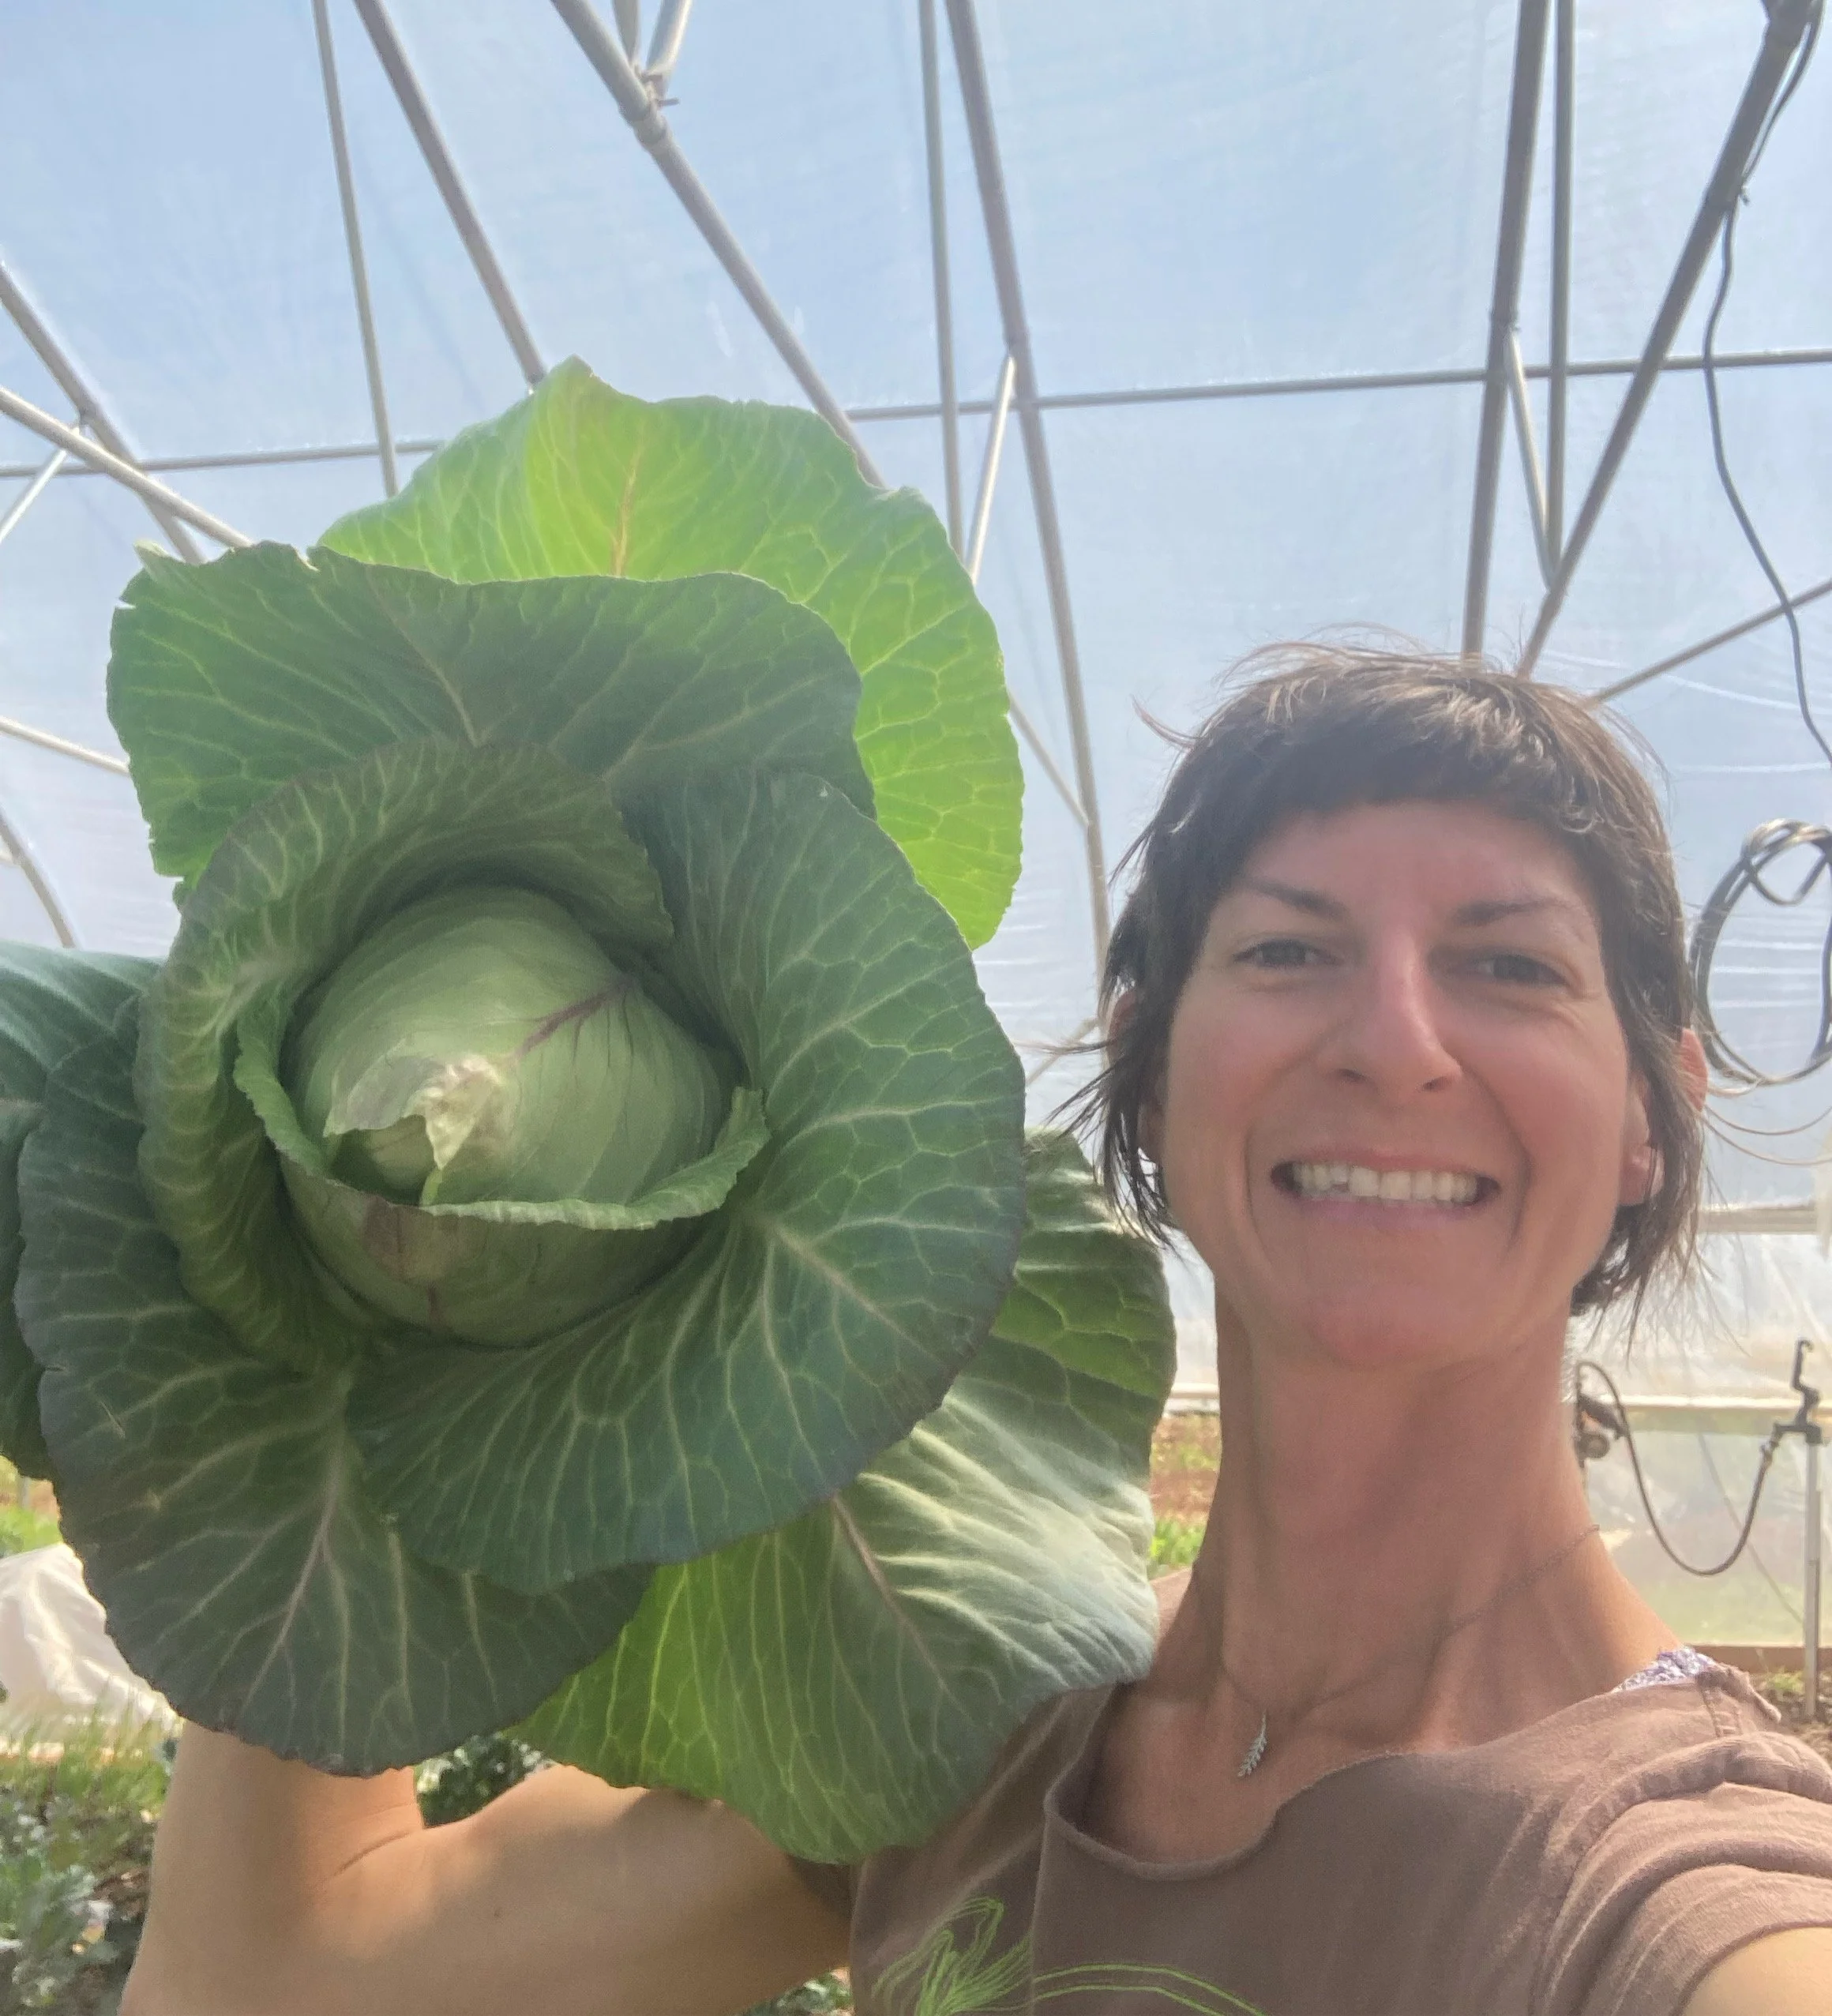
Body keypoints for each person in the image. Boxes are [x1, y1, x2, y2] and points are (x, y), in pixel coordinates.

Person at [126, 650, 1832, 2016]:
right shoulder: (965, 1698)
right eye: (1288, 948)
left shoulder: (1680, 1887)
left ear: (1652, 1108)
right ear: (1149, 1078)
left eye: (1511, 969)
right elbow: (278, 1979)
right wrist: (352, 1261)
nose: (1394, 1041)